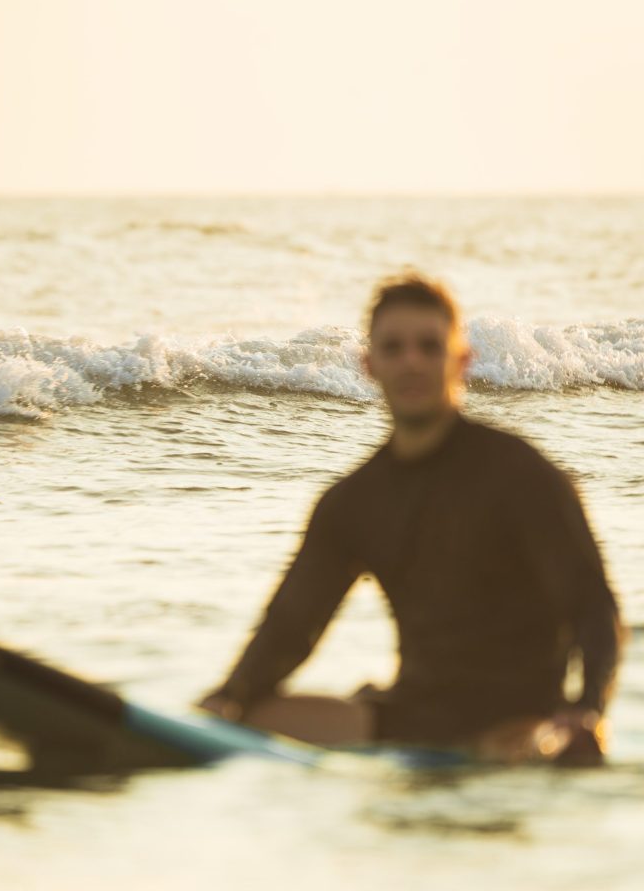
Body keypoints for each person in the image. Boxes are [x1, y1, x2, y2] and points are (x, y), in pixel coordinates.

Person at [200, 272, 622, 763]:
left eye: (429, 346)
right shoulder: (353, 501)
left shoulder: (520, 474)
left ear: (461, 361)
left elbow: (594, 605)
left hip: (520, 720)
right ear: (369, 365)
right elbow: (292, 625)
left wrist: (589, 707)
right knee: (245, 719)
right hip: (413, 712)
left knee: (541, 747)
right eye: (394, 348)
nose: (412, 362)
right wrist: (229, 696)